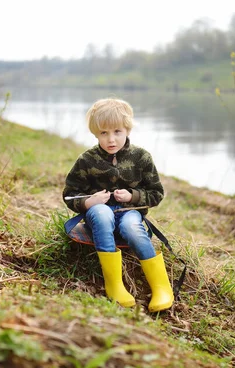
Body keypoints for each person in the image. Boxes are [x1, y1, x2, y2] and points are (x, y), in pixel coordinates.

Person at [62, 97, 174, 312]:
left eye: (117, 132)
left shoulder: (141, 158)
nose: (111, 139)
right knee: (103, 213)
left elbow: (156, 193)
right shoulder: (87, 160)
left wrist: (132, 196)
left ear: (127, 130)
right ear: (96, 134)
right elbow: (69, 195)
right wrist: (89, 201)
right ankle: (114, 284)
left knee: (131, 227)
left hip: (129, 211)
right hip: (98, 213)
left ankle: (161, 287)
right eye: (104, 133)